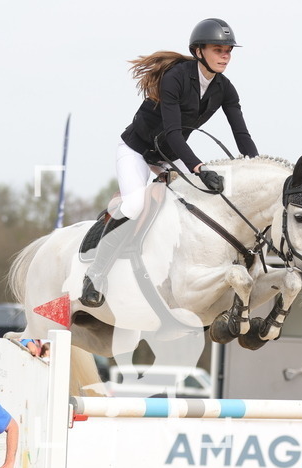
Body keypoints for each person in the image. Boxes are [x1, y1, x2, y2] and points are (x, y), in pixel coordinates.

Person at [80, 17, 259, 308]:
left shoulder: (225, 88)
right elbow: (174, 134)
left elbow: (241, 134)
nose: (225, 56)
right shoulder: (175, 78)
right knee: (135, 205)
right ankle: (95, 275)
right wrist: (198, 168)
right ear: (199, 51)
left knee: (189, 210)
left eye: (228, 50)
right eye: (218, 49)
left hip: (167, 157)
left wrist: (257, 167)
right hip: (136, 150)